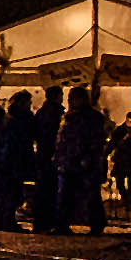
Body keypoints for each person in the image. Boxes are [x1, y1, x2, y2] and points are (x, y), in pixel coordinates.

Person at [52, 84, 108, 235]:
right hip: (68, 161)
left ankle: (96, 225)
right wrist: (58, 156)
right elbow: (62, 138)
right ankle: (62, 225)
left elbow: (97, 140)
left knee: (91, 195)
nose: (70, 101)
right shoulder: (68, 116)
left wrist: (89, 157)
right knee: (65, 194)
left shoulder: (93, 117)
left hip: (85, 162)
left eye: (72, 98)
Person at [4, 91, 39, 232]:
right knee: (12, 191)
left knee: (12, 190)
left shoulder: (10, 117)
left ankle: (6, 220)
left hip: (11, 158)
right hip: (15, 159)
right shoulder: (19, 119)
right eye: (28, 102)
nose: (30, 105)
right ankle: (7, 221)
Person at [33, 85, 65, 230]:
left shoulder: (41, 113)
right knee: (51, 189)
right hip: (52, 154)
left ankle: (40, 221)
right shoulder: (57, 113)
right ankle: (49, 220)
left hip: (42, 154)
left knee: (42, 188)